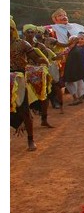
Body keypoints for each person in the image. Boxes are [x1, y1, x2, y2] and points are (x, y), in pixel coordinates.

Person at [11, 17, 48, 151]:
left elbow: (35, 57)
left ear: (12, 30)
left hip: (19, 79)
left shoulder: (22, 44)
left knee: (24, 110)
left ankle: (30, 140)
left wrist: (43, 61)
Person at [22, 24, 55, 128]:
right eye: (28, 32)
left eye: (32, 32)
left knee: (44, 96)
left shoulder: (40, 46)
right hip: (24, 74)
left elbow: (46, 58)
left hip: (39, 74)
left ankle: (44, 119)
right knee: (23, 98)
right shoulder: (21, 45)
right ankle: (25, 121)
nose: (31, 34)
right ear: (24, 33)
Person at [63, 36, 84, 106]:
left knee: (70, 84)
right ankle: (80, 98)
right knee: (79, 84)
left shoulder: (74, 51)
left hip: (73, 71)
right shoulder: (76, 49)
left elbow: (71, 63)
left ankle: (76, 99)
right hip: (78, 71)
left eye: (70, 40)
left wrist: (69, 73)